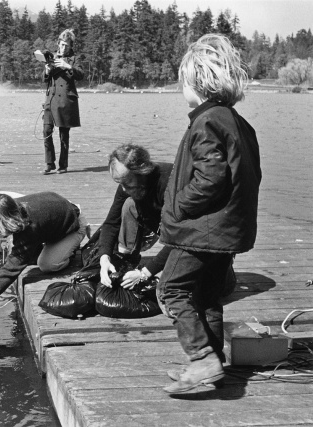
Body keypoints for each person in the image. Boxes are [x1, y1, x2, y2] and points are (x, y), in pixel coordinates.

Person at [158, 34, 262, 394]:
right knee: (207, 296)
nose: (181, 88)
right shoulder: (236, 121)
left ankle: (202, 357)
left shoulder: (206, 122)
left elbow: (211, 177)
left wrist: (177, 206)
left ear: (197, 82)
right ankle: (213, 362)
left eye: (183, 82)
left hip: (202, 230)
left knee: (172, 288)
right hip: (227, 229)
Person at [0, 192, 88, 317]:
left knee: (46, 265)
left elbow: (10, 270)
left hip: (73, 224)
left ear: (8, 222)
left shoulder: (29, 229)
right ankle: (49, 243)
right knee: (17, 251)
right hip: (52, 215)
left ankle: (70, 251)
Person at [81, 144, 173, 289]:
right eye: (119, 183)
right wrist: (104, 257)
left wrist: (145, 273)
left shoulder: (169, 183)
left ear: (142, 172)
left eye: (127, 183)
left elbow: (183, 237)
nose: (123, 189)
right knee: (129, 203)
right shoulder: (129, 184)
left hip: (192, 235)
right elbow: (112, 223)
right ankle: (128, 259)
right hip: (155, 223)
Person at [41, 29, 84, 175]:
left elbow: (81, 75)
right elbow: (44, 79)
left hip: (66, 100)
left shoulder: (74, 59)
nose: (63, 47)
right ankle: (49, 163)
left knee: (63, 135)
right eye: (62, 44)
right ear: (58, 43)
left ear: (71, 46)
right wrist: (47, 71)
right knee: (46, 131)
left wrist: (68, 66)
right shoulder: (51, 57)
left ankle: (63, 165)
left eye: (66, 45)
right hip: (51, 98)